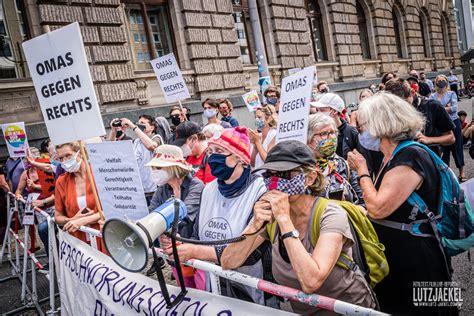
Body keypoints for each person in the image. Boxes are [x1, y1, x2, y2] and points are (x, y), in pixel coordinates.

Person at [221, 140, 376, 315]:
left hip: (347, 308)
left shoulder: (331, 214)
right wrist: (255, 225)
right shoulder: (270, 218)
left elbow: (311, 281)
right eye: (269, 175)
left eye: (284, 175)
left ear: (309, 178)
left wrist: (285, 220)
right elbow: (228, 262)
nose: (275, 182)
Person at [347, 93, 455, 315]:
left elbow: (378, 208)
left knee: (429, 310)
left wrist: (362, 170)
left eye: (364, 125)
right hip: (400, 254)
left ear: (380, 125)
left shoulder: (410, 155)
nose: (361, 131)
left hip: (418, 257)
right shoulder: (393, 155)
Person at [160, 127, 276, 307]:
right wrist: (180, 243)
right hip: (212, 284)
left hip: (251, 290)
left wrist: (194, 251)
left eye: (220, 152)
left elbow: (251, 252)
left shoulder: (260, 190)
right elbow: (198, 236)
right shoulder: (209, 189)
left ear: (240, 158)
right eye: (211, 151)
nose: (213, 157)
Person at [146, 145, 204, 279]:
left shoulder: (196, 186)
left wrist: (161, 227)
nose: (154, 171)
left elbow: (185, 214)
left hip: (195, 253)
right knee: (182, 287)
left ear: (173, 167)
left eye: (158, 168)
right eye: (153, 168)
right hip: (172, 253)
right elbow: (151, 215)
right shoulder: (162, 190)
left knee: (200, 293)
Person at [54, 142, 104, 252]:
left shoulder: (100, 174)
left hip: (103, 236)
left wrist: (84, 220)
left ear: (80, 153)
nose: (65, 161)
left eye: (68, 155)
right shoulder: (61, 182)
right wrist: (71, 220)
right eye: (61, 158)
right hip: (78, 242)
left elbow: (113, 209)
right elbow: (58, 217)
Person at [385, 78, 455, 156]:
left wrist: (429, 140)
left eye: (403, 103)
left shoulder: (433, 106)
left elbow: (451, 138)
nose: (401, 108)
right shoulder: (390, 110)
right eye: (396, 106)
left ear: (412, 92)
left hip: (428, 160)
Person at [308, 113, 364, 206]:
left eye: (333, 132)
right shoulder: (302, 170)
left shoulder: (341, 164)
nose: (331, 137)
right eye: (324, 133)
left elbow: (360, 200)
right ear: (309, 139)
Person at [120, 115, 163, 203]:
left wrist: (133, 126)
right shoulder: (136, 142)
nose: (140, 125)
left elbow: (151, 146)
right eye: (139, 123)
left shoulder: (156, 138)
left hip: (153, 190)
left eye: (143, 123)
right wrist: (114, 130)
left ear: (151, 127)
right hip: (140, 190)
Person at [431, 75, 465, 182]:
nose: (441, 82)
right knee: (443, 150)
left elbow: (454, 108)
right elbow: (432, 110)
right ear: (436, 83)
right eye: (439, 81)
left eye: (443, 80)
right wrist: (446, 107)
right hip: (440, 126)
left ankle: (461, 172)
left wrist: (440, 108)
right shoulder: (432, 96)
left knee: (457, 148)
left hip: (453, 123)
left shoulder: (452, 93)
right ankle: (447, 175)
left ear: (446, 82)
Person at [249, 104, 277, 169]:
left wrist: (258, 143)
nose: (256, 120)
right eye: (255, 117)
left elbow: (268, 161)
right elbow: (252, 163)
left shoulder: (274, 134)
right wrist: (255, 147)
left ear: (269, 119)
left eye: (259, 117)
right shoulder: (259, 136)